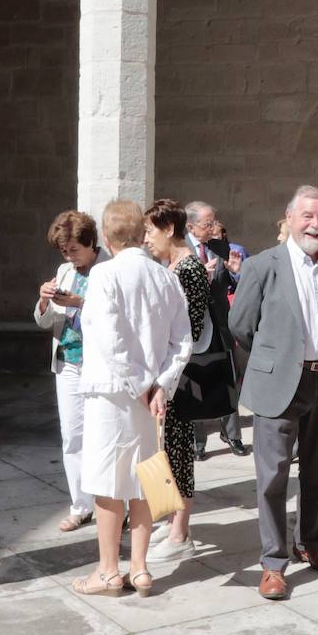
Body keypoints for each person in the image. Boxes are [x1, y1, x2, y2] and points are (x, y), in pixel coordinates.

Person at [230, 185, 318, 601]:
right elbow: (240, 325)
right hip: (280, 381)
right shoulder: (264, 266)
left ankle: (310, 542)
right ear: (290, 217)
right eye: (308, 216)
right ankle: (272, 563)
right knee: (273, 477)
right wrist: (275, 358)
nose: (315, 224)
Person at [73, 200, 192, 597]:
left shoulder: (104, 274)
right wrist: (161, 384)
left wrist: (145, 384)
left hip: (113, 393)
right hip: (150, 396)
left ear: (106, 238)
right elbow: (183, 341)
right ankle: (139, 567)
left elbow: (110, 339)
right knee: (144, 477)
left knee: (109, 483)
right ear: (142, 233)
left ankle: (109, 569)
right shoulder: (165, 277)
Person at [143, 198, 216, 561]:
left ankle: (180, 532)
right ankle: (167, 517)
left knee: (178, 452)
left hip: (181, 376)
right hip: (162, 374)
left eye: (149, 231)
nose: (146, 238)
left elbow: (191, 328)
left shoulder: (188, 268)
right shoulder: (169, 264)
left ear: (169, 228)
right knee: (161, 449)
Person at [34, 211, 109, 532]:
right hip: (67, 361)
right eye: (64, 251)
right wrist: (43, 302)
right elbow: (46, 322)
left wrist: (82, 303)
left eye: (74, 249)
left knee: (105, 437)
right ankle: (81, 505)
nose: (69, 256)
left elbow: (118, 319)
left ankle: (112, 506)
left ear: (91, 243)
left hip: (101, 364)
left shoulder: (109, 269)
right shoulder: (64, 271)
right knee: (72, 437)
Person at [185, 200, 250, 459]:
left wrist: (237, 273)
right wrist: (197, 275)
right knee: (196, 383)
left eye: (214, 222)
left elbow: (237, 284)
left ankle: (233, 436)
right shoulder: (180, 249)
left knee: (228, 382)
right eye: (207, 223)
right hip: (193, 328)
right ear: (190, 226)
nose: (213, 228)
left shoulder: (219, 246)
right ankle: (198, 442)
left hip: (221, 325)